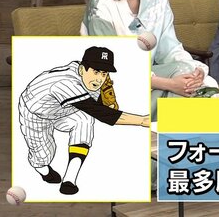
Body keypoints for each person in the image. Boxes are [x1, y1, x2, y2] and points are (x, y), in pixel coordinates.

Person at [81, 0, 219, 119]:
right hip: (115, 84)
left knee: (201, 84)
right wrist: (169, 84)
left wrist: (195, 72)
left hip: (154, 79)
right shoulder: (101, 5)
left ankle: (167, 133)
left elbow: (170, 49)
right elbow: (109, 68)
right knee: (187, 92)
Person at [18, 46, 149, 195]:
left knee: (84, 119)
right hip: (36, 113)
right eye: (96, 71)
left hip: (66, 109)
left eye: (104, 73)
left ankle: (70, 179)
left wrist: (105, 100)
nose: (100, 78)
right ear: (81, 69)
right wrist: (141, 120)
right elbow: (102, 114)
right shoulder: (66, 83)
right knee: (43, 156)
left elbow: (98, 105)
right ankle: (43, 170)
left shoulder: (89, 78)